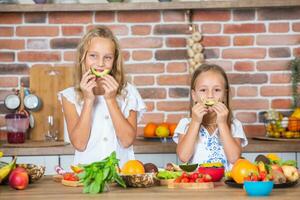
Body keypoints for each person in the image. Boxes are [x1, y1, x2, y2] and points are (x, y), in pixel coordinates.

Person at [58, 26, 146, 167]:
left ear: (114, 60)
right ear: (83, 57)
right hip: (86, 177)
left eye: (107, 58)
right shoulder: (70, 96)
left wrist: (110, 100)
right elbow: (79, 144)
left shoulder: (128, 92)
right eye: (93, 56)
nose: (100, 63)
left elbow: (127, 140)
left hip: (122, 175)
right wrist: (88, 100)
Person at [173, 63, 248, 170]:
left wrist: (222, 123)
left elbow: (234, 158)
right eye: (203, 90)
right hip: (197, 183)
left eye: (217, 90)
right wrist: (195, 122)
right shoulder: (185, 123)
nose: (210, 95)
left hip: (225, 185)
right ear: (194, 95)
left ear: (224, 95)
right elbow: (183, 157)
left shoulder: (234, 125)